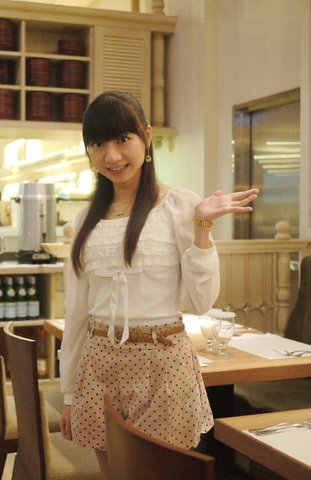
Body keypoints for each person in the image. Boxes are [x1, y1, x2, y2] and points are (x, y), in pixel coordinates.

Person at [58, 91, 259, 479]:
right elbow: (77, 313)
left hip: (162, 364)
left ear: (147, 137)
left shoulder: (180, 206)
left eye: (123, 139)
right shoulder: (85, 220)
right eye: (97, 144)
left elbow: (200, 302)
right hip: (99, 365)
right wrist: (69, 394)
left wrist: (202, 228)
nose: (111, 155)